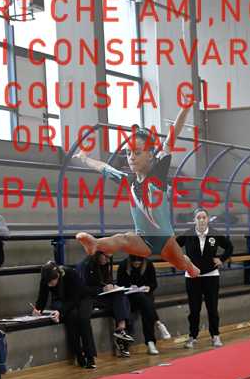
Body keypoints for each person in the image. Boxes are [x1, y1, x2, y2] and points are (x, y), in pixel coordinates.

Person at [73, 97, 201, 279]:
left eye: (137, 153)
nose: (131, 157)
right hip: (142, 240)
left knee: (183, 264)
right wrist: (85, 159)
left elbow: (172, 137)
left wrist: (185, 108)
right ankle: (95, 244)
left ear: (150, 155)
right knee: (123, 238)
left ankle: (190, 266)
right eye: (128, 153)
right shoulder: (128, 180)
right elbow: (103, 167)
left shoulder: (158, 173)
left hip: (165, 240)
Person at [178, 208, 233, 349]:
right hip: (192, 276)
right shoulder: (188, 234)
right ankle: (192, 336)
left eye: (204, 217)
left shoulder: (215, 234)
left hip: (211, 276)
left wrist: (222, 259)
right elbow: (174, 247)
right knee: (194, 309)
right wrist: (183, 260)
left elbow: (229, 247)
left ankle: (215, 336)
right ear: (194, 220)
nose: (201, 220)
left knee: (212, 308)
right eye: (198, 217)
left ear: (208, 219)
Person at [33, 261, 97, 368]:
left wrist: (61, 311)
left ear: (58, 276)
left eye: (51, 282)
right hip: (66, 300)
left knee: (83, 319)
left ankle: (90, 356)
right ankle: (78, 354)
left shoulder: (70, 274)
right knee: (71, 318)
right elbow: (42, 297)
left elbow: (75, 298)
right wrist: (37, 309)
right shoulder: (46, 279)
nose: (49, 285)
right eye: (47, 282)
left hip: (83, 297)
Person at [80, 251, 134, 356]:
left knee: (121, 296)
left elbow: (107, 281)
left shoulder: (106, 264)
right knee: (122, 300)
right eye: (106, 257)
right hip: (90, 299)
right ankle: (122, 332)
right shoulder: (86, 265)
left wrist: (112, 285)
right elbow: (82, 290)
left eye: (110, 258)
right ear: (98, 254)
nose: (108, 260)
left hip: (102, 295)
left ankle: (121, 330)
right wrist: (101, 289)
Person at [116, 255, 171, 355]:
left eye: (139, 264)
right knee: (145, 303)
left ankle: (151, 342)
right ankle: (157, 326)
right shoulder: (123, 265)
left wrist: (149, 287)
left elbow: (154, 283)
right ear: (130, 261)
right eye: (135, 264)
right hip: (130, 297)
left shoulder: (148, 264)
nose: (137, 265)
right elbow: (120, 284)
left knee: (146, 307)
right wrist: (129, 286)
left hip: (145, 294)